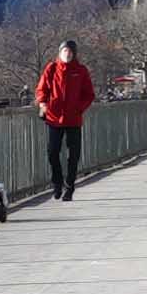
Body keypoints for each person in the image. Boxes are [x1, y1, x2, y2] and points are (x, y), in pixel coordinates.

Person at [30, 36, 97, 209]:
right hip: (54, 117)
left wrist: (79, 108)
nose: (67, 54)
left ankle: (69, 186)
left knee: (72, 155)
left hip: (73, 119)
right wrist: (43, 103)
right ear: (60, 52)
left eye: (70, 51)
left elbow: (89, 94)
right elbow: (41, 89)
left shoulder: (80, 71)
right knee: (52, 152)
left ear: (74, 54)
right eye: (64, 51)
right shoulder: (52, 68)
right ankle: (57, 183)